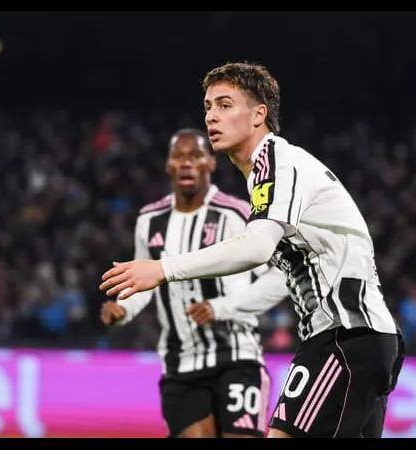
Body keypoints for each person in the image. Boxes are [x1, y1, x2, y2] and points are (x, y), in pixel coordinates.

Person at [100, 62, 404, 438]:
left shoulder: (275, 159)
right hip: (364, 337)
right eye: (208, 106)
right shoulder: (270, 171)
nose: (211, 116)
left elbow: (257, 247)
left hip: (345, 337)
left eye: (225, 105)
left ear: (259, 114)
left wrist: (163, 269)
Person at [101, 128, 285, 438]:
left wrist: (222, 307)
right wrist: (123, 309)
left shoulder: (236, 213)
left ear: (210, 163)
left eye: (196, 155)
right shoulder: (149, 219)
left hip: (236, 356)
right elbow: (144, 282)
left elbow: (281, 275)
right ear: (169, 165)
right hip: (180, 365)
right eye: (179, 156)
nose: (187, 163)